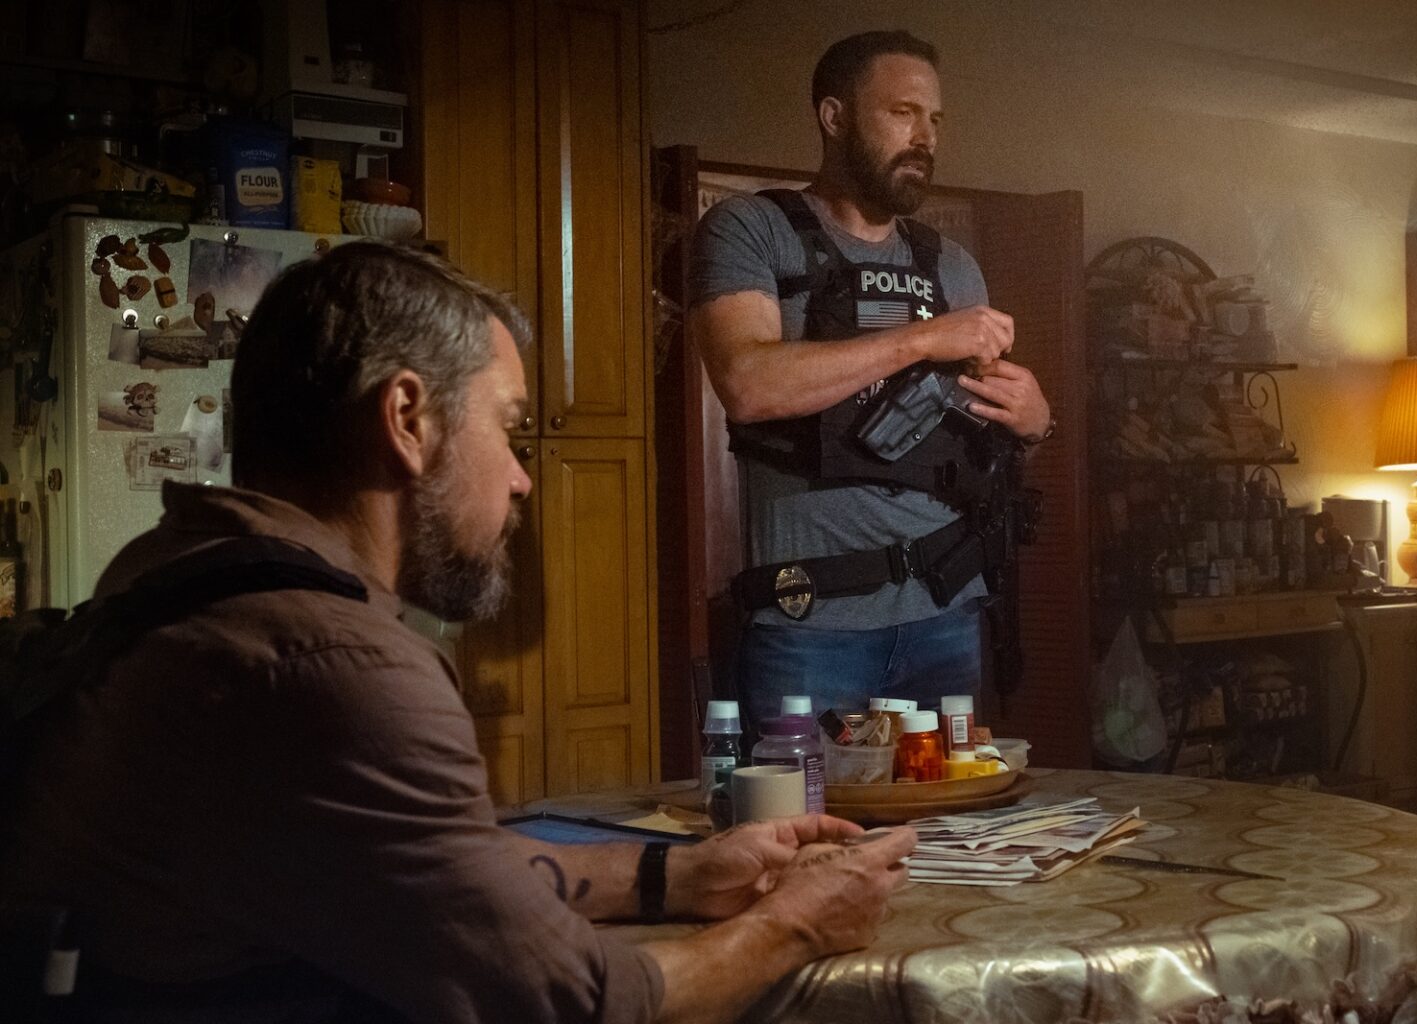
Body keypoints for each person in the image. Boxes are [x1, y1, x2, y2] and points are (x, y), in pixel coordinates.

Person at [1, 241, 917, 1023]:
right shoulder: (334, 665)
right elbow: (570, 1003)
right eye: (510, 429)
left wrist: (671, 875)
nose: (522, 478)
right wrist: (799, 919)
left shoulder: (173, 573)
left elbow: (437, 867)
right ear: (408, 420)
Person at [688, 30, 1053, 728]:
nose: (925, 137)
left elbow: (987, 442)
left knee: (946, 832)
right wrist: (921, 338)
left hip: (945, 617)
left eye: (936, 120)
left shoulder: (950, 263)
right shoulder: (752, 230)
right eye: (903, 113)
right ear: (835, 117)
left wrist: (1036, 419)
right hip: (809, 628)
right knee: (805, 833)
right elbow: (747, 381)